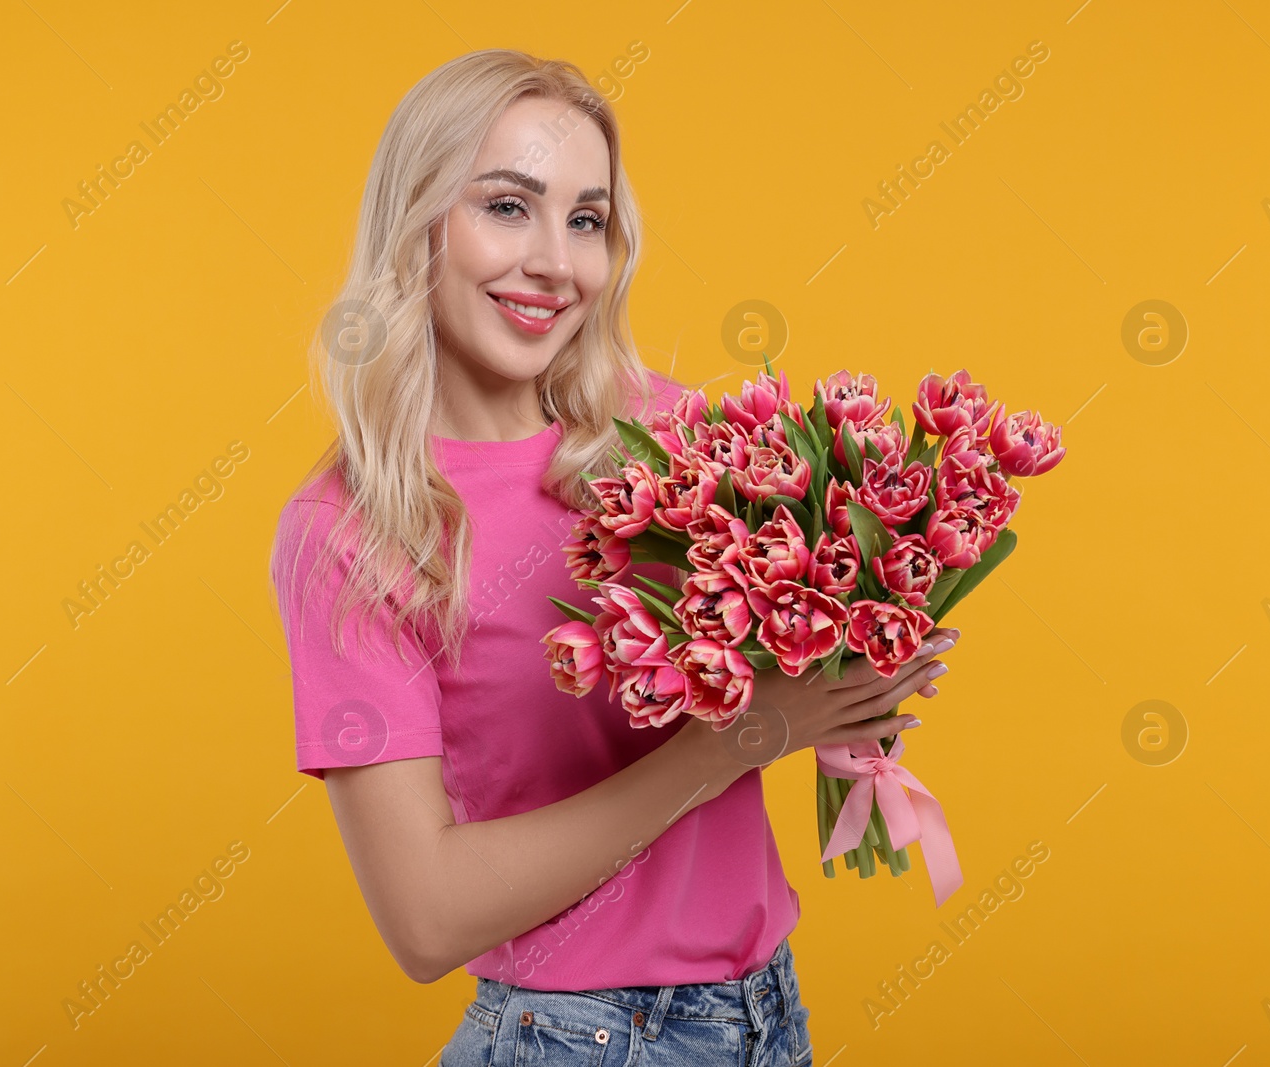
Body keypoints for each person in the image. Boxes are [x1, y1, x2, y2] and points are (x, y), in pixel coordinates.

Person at [269, 48, 956, 1066]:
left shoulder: (664, 434)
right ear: (417, 223)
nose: (557, 261)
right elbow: (426, 918)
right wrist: (737, 739)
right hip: (577, 1041)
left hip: (768, 1017)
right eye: (508, 207)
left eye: (584, 219)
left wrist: (853, 666)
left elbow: (789, 681)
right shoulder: (356, 528)